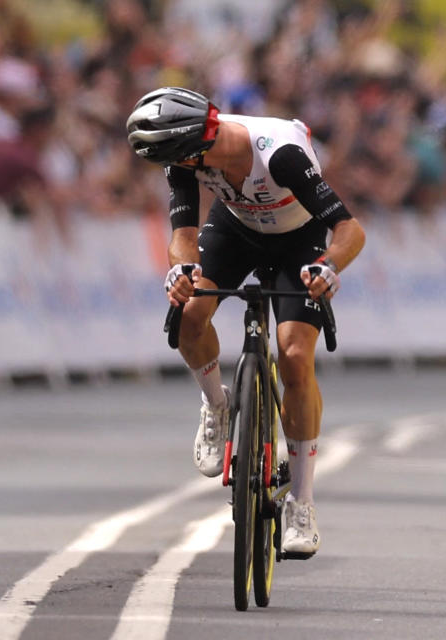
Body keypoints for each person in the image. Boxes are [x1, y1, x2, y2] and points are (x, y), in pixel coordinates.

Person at [126, 87, 366, 556]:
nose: (174, 170)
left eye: (175, 162)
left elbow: (349, 229)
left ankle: (302, 502)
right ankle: (216, 406)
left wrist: (330, 267)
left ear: (197, 150)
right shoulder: (186, 149)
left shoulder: (282, 157)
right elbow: (183, 235)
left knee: (295, 357)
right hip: (236, 228)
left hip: (298, 239)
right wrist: (181, 270)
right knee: (191, 313)